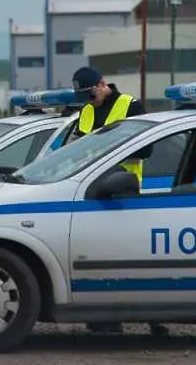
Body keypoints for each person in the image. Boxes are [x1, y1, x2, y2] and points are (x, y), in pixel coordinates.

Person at [70, 67, 166, 337]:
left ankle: (154, 317)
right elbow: (77, 147)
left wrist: (110, 149)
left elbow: (146, 149)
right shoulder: (87, 110)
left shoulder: (130, 105)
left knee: (130, 257)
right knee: (100, 259)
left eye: (89, 94)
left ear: (102, 84)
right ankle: (106, 318)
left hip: (124, 191)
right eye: (83, 97)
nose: (88, 101)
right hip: (93, 192)